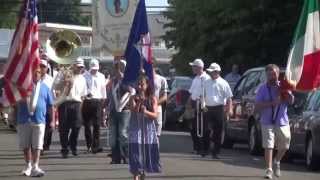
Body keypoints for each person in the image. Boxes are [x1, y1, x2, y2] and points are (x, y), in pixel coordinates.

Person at [255, 64, 294, 179]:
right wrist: (272, 103)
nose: (272, 76)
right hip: (267, 121)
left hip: (282, 120)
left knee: (285, 144)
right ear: (266, 75)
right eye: (269, 74)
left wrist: (288, 95)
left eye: (274, 73)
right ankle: (269, 170)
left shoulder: (284, 85)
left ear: (278, 74)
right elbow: (257, 105)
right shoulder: (262, 88)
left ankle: (277, 161)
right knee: (269, 145)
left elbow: (291, 101)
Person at [16, 66, 54, 177]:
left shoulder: (45, 88)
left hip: (39, 120)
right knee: (26, 145)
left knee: (38, 145)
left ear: (41, 74)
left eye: (38, 72)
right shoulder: (23, 87)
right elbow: (15, 101)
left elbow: (51, 106)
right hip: (24, 119)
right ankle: (28, 166)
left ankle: (35, 166)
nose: (36, 74)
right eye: (34, 72)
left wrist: (52, 120)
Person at [128, 74, 161, 180]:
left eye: (142, 84)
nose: (140, 86)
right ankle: (136, 175)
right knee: (135, 152)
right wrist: (139, 103)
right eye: (138, 84)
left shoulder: (152, 99)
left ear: (147, 85)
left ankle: (143, 173)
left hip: (147, 130)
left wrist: (146, 111)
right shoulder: (133, 98)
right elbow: (134, 111)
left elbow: (155, 115)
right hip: (136, 129)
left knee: (146, 153)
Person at [55, 58, 87, 158]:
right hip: (64, 102)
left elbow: (83, 95)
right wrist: (64, 83)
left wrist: (80, 108)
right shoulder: (63, 74)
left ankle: (72, 145)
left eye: (81, 67)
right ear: (73, 65)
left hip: (76, 103)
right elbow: (55, 87)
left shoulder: (82, 78)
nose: (80, 69)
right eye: (78, 66)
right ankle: (64, 149)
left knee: (77, 126)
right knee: (64, 128)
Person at [201, 63, 233, 158]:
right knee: (206, 130)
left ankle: (216, 151)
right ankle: (205, 149)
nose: (210, 73)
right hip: (207, 107)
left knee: (218, 131)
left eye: (212, 72)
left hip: (219, 108)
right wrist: (203, 105)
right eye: (210, 72)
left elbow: (229, 98)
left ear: (217, 72)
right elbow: (202, 95)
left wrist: (229, 109)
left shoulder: (224, 83)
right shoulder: (206, 82)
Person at [109, 59, 131, 164]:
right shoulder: (112, 81)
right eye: (116, 67)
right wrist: (105, 110)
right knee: (113, 135)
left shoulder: (127, 80)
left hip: (124, 110)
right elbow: (110, 97)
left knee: (123, 134)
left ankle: (126, 156)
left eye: (120, 67)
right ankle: (115, 157)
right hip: (113, 110)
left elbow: (131, 91)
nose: (118, 69)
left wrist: (123, 80)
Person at [82, 58, 107, 153]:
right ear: (90, 67)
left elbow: (103, 90)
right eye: (93, 68)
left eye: (96, 69)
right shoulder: (84, 76)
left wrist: (103, 102)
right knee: (87, 125)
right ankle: (89, 144)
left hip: (97, 101)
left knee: (97, 124)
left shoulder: (101, 76)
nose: (94, 70)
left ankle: (96, 146)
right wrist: (86, 94)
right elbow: (82, 88)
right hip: (87, 101)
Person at [188, 58, 210, 154]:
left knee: (203, 127)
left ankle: (204, 148)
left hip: (202, 104)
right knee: (193, 127)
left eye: (194, 66)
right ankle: (196, 147)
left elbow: (207, 93)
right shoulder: (195, 78)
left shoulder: (206, 78)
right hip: (194, 104)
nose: (192, 68)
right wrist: (188, 104)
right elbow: (191, 92)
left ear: (199, 67)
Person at [39, 60, 55, 153]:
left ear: (47, 68)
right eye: (40, 66)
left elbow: (54, 93)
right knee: (40, 127)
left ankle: (46, 144)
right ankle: (40, 146)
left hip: (49, 106)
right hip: (39, 106)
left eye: (43, 66)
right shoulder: (34, 78)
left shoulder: (50, 79)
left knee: (48, 127)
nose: (42, 68)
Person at [153, 68, 168, 140]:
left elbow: (164, 97)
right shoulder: (141, 78)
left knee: (156, 136)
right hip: (144, 109)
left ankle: (155, 151)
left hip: (157, 108)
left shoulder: (161, 79)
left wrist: (155, 104)